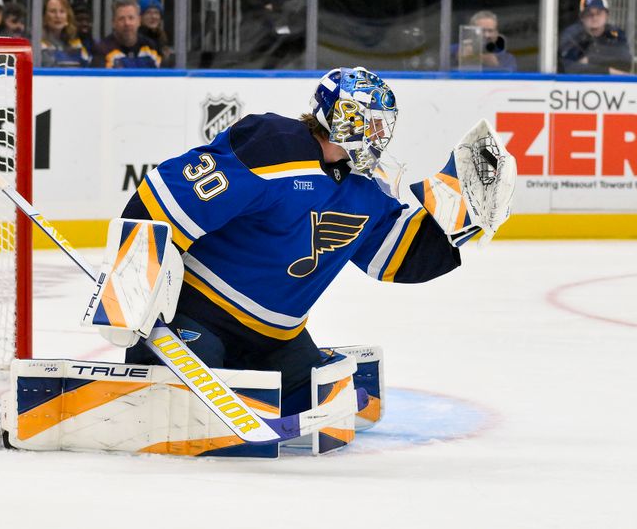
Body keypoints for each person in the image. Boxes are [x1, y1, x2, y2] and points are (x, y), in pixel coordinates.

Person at [118, 67, 515, 415]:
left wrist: (459, 218)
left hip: (275, 340)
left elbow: (400, 257)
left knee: (323, 400)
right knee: (187, 401)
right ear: (342, 117)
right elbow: (164, 200)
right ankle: (156, 363)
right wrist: (128, 294)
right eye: (372, 123)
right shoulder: (273, 144)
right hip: (196, 318)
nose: (379, 136)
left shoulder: (365, 190)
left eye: (384, 126)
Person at [559, 0, 633, 74]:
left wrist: (591, 59)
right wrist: (609, 71)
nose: (594, 18)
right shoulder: (572, 35)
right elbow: (569, 68)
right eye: (589, 14)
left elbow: (626, 63)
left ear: (607, 15)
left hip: (611, 84)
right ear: (582, 17)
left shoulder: (615, 34)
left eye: (599, 13)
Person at [92, 0, 161, 68]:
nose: (127, 23)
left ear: (139, 21)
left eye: (131, 18)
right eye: (121, 19)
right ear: (113, 23)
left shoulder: (151, 47)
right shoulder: (102, 49)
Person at [41, 0, 91, 67]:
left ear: (68, 16)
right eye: (52, 11)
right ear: (44, 17)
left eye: (62, 11)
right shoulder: (37, 44)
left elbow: (87, 66)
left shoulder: (76, 43)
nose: (58, 16)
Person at [138, 0, 172, 66]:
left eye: (156, 13)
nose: (153, 16)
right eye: (148, 13)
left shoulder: (161, 37)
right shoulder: (136, 39)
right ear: (140, 17)